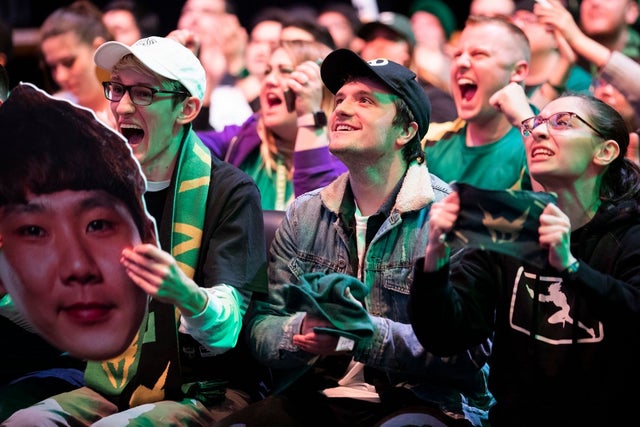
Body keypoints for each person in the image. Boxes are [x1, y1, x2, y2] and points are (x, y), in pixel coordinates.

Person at [216, 49, 493, 427]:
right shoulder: (305, 214)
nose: (342, 109)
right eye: (340, 99)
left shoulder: (450, 218)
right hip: (318, 396)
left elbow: (468, 352)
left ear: (406, 131)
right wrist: (299, 331)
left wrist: (360, 336)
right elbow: (261, 327)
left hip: (424, 400)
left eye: (365, 101)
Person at [3, 35, 267, 425]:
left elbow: (227, 331)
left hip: (206, 389)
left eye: (143, 93)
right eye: (117, 88)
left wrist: (185, 294)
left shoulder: (230, 191)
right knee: (24, 422)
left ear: (187, 109)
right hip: (111, 385)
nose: (123, 106)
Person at [409, 94, 640, 426]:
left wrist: (570, 267)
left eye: (562, 122)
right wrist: (435, 255)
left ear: (605, 151)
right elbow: (445, 338)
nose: (538, 132)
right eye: (535, 124)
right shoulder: (510, 226)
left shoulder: (629, 234)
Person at [199, 39, 346, 210]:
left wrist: (308, 116)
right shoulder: (244, 138)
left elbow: (315, 215)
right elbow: (184, 146)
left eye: (285, 71)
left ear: (320, 92)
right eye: (267, 71)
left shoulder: (345, 157)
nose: (269, 80)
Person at [424, 15, 533, 191]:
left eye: (478, 54)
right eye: (457, 54)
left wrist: (526, 122)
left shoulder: (542, 143)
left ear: (518, 71)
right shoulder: (428, 141)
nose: (461, 62)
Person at [535, 0, 640, 163]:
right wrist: (566, 58)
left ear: (632, 11)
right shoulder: (564, 61)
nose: (594, 3)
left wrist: (576, 38)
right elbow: (531, 130)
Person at [357, 11, 458, 123]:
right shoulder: (349, 96)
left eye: (390, 38)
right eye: (371, 38)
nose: (378, 45)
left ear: (408, 53)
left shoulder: (434, 101)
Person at [39, 0, 116, 129]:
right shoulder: (54, 109)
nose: (60, 77)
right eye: (53, 67)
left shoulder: (129, 107)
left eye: (69, 62)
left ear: (98, 49)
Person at [510, 0, 591, 110]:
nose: (517, 25)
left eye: (528, 20)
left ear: (557, 36)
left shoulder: (577, 82)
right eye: (514, 18)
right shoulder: (505, 71)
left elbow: (531, 119)